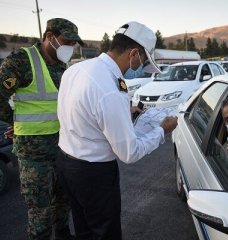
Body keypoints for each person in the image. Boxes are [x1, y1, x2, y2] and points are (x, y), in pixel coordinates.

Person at [56, 21, 178, 240]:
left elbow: (82, 112)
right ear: (133, 53)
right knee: (105, 233)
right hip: (94, 175)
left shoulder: (77, 69)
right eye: (143, 61)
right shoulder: (111, 89)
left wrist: (123, 111)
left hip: (67, 164)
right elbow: (129, 153)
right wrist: (162, 130)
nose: (141, 67)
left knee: (84, 228)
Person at [0, 18, 83, 239]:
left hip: (63, 147)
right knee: (40, 211)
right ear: (49, 37)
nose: (70, 48)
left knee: (63, 199)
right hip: (34, 154)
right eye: (67, 41)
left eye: (74, 44)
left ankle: (64, 234)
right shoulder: (21, 61)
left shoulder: (62, 66)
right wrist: (16, 122)